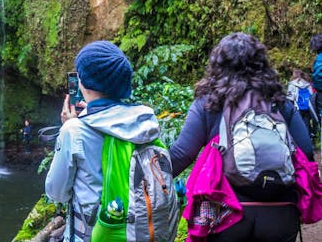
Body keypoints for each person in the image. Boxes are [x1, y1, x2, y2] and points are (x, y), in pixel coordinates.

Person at [170, 32, 314, 242]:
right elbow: (307, 152)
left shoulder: (208, 103)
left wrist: (146, 181)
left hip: (227, 213)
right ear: (262, 63)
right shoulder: (279, 102)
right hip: (281, 212)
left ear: (217, 65)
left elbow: (182, 154)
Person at [45, 41, 174, 241]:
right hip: (138, 232)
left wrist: (69, 127)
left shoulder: (74, 130)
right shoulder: (144, 122)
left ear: (84, 83)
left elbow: (56, 193)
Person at [286, 69, 315, 137]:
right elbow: (312, 95)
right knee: (306, 124)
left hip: (297, 108)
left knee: (297, 126)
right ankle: (309, 141)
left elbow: (290, 98)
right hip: (308, 108)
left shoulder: (292, 84)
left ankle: (299, 143)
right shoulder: (307, 84)